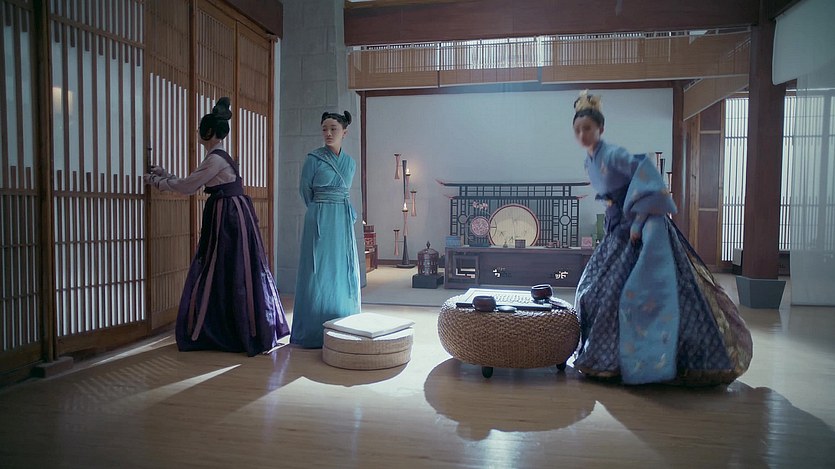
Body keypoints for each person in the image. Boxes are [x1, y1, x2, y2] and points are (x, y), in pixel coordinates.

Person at [571, 91, 753, 385]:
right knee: (593, 292)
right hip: (617, 231)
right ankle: (606, 359)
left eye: (588, 128)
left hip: (640, 230)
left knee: (632, 294)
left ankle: (655, 360)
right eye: (578, 129)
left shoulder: (614, 155)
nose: (583, 134)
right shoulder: (589, 162)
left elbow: (648, 176)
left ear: (600, 129)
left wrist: (638, 220)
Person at [144, 97, 289, 356]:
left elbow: (189, 186)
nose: (198, 132)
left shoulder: (215, 159)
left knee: (226, 266)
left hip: (228, 215)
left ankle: (232, 328)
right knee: (231, 266)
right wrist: (165, 175)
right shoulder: (217, 157)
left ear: (208, 132)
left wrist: (157, 182)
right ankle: (235, 324)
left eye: (200, 129)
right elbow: (192, 181)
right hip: (232, 212)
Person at [291, 110, 361, 348]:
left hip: (342, 217)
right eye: (324, 129)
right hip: (319, 215)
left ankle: (344, 323)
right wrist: (319, 209)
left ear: (344, 132)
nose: (328, 133)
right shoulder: (313, 159)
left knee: (342, 267)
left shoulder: (350, 163)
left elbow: (345, 191)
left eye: (334, 129)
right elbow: (305, 191)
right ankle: (313, 330)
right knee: (317, 270)